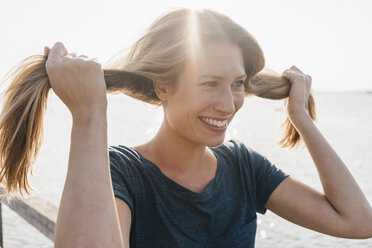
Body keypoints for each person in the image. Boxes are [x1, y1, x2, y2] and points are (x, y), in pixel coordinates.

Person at [1, 7, 371, 248]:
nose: (228, 104)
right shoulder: (120, 173)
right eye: (210, 83)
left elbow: (357, 222)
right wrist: (89, 113)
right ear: (162, 86)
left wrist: (301, 117)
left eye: (237, 84)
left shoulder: (243, 167)